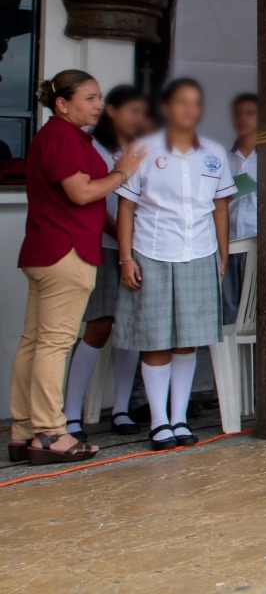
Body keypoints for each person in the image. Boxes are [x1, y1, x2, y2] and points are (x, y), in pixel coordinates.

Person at [11, 71, 145, 465]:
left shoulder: (60, 136)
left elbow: (86, 202)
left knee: (35, 341)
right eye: (89, 98)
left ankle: (24, 430)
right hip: (65, 253)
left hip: (46, 251)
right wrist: (123, 172)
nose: (98, 105)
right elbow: (82, 193)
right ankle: (52, 432)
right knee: (54, 344)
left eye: (99, 97)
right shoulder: (62, 137)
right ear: (62, 104)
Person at [113, 78, 235, 450]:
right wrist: (125, 257)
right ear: (166, 108)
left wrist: (222, 254)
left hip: (199, 252)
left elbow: (220, 208)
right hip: (152, 252)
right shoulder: (143, 150)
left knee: (188, 342)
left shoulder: (214, 152)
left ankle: (179, 418)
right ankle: (159, 422)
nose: (189, 110)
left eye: (195, 103)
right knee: (156, 340)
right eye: (182, 102)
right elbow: (126, 208)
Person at [63, 85, 150, 439]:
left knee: (130, 329)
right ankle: (71, 414)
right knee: (99, 326)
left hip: (136, 249)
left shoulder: (141, 150)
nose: (139, 119)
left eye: (143, 113)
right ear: (112, 110)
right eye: (132, 111)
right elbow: (93, 204)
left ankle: (122, 409)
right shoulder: (91, 146)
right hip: (103, 246)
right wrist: (124, 238)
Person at [222, 92, 258, 326]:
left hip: (258, 241)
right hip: (229, 241)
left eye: (250, 113)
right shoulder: (223, 157)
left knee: (256, 312)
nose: (243, 119)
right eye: (238, 114)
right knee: (229, 312)